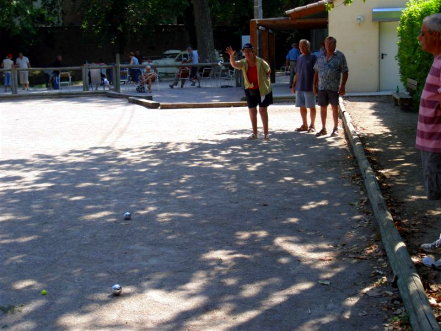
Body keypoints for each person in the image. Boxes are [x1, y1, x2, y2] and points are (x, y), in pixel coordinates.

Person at [415, 14, 441, 261]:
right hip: (432, 144)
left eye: (423, 33)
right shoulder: (438, 60)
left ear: (436, 36)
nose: (419, 37)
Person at [226, 43, 272, 140]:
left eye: (248, 51)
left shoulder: (261, 62)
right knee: (252, 110)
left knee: (262, 110)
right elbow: (234, 64)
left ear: (253, 52)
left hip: (262, 89)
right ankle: (254, 134)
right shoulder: (243, 62)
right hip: (250, 89)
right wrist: (231, 56)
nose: (246, 53)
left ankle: (266, 133)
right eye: (244, 51)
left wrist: (264, 81)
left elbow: (268, 71)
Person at [313, 36, 348, 137]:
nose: (328, 46)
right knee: (322, 107)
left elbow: (345, 71)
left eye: (331, 44)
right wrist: (314, 85)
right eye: (327, 44)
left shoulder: (340, 56)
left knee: (334, 107)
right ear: (324, 44)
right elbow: (316, 71)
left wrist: (343, 86)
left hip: (333, 87)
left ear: (335, 45)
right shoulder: (320, 56)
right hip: (322, 87)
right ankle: (323, 128)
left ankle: (335, 128)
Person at [291, 39, 317, 133]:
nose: (301, 48)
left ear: (308, 46)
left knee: (311, 106)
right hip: (299, 86)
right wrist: (293, 85)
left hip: (309, 86)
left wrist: (315, 85)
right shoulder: (299, 57)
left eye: (303, 46)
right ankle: (304, 124)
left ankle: (312, 125)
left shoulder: (313, 57)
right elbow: (297, 73)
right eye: (300, 46)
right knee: (302, 106)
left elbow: (316, 73)